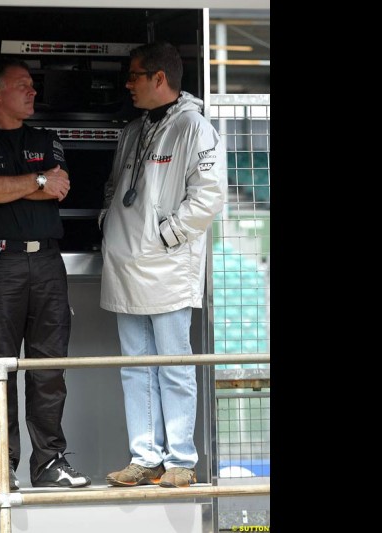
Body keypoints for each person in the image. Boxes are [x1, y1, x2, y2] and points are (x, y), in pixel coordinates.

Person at [0, 56, 91, 492]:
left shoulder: (47, 139)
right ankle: (0, 466)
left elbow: (62, 186)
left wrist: (12, 187)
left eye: (34, 85)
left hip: (49, 262)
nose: (33, 92)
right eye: (23, 85)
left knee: (49, 368)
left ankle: (49, 463)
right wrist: (36, 182)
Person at [99, 42, 227, 489]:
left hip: (167, 267)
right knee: (135, 365)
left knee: (173, 364)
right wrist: (107, 225)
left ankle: (180, 461)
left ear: (159, 79)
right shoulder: (132, 129)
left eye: (135, 75)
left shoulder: (195, 127)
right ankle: (144, 457)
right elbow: (115, 187)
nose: (128, 83)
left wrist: (166, 236)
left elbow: (210, 196)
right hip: (125, 263)